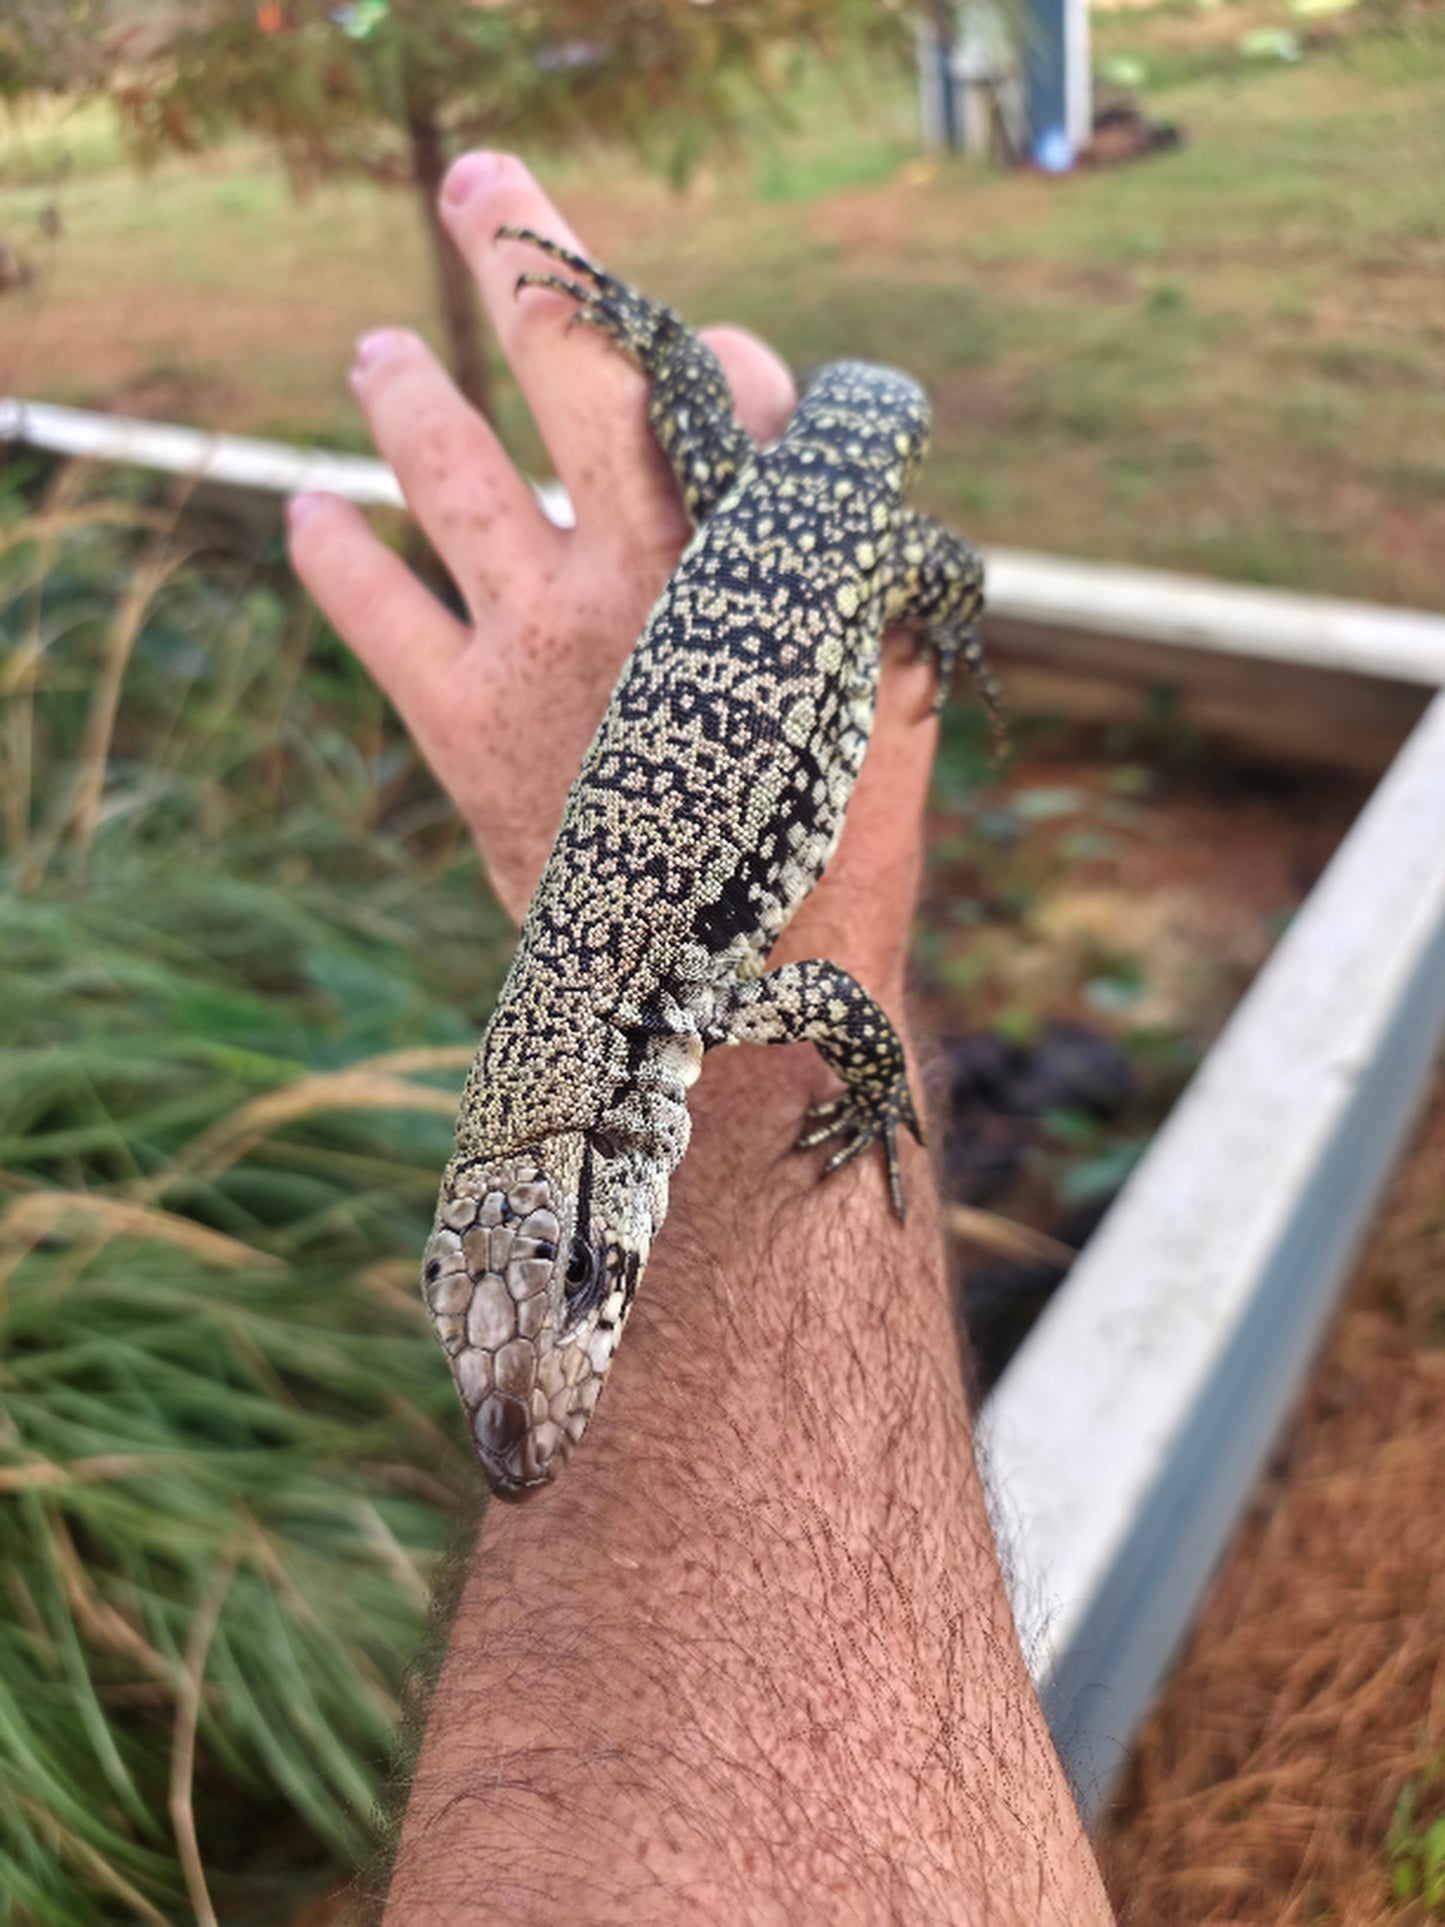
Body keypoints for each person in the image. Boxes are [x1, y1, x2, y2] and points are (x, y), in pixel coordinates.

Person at [288, 150, 1115, 1927]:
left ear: (596, 1171)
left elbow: (825, 1005)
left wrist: (877, 1086)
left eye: (581, 1292)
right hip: (763, 533)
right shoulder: (554, 1030)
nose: (539, 1364)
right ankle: (683, 366)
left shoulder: (671, 1005)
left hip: (825, 525)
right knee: (745, 477)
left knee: (915, 572)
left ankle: (860, 533)